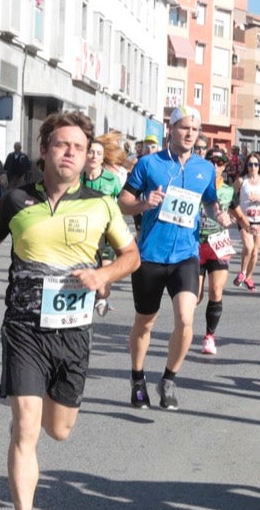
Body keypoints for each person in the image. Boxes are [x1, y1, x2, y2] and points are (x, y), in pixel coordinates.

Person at [0, 111, 140, 510]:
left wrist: (104, 272)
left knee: (58, 431)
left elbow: (131, 256)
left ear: (88, 158)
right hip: (24, 328)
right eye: (62, 144)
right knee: (27, 428)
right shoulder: (17, 200)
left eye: (78, 147)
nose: (70, 152)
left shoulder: (101, 204)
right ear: (44, 150)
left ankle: (30, 420)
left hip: (72, 334)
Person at [119, 107, 219, 410]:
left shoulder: (206, 168)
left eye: (194, 129)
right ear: (171, 129)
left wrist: (221, 215)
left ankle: (169, 378)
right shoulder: (148, 164)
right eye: (184, 128)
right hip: (150, 255)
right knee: (145, 322)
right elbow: (123, 202)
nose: (190, 134)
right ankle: (138, 378)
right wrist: (143, 203)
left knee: (186, 319)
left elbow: (211, 202)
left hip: (185, 256)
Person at [196, 149, 237, 356]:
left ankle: (209, 336)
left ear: (224, 167)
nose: (215, 166)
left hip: (218, 244)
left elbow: (237, 213)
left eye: (220, 162)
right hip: (195, 243)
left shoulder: (229, 191)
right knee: (195, 295)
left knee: (216, 291)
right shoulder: (195, 183)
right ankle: (183, 328)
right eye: (211, 161)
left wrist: (248, 227)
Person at [82, 135, 129, 317]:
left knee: (104, 289)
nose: (94, 156)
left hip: (106, 236)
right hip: (83, 234)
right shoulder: (77, 179)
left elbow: (122, 203)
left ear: (103, 158)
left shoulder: (112, 180)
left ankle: (101, 296)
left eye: (98, 153)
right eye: (91, 152)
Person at [231, 155, 260, 291]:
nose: (253, 167)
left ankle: (249, 277)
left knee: (255, 251)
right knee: (248, 247)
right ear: (246, 166)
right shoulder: (241, 180)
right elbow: (230, 196)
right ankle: (242, 272)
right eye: (250, 165)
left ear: (259, 165)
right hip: (245, 219)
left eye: (255, 164)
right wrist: (232, 213)